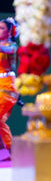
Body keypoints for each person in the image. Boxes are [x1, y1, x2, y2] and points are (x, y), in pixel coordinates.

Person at [0, 18, 19, 155]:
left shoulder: (12, 46)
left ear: (10, 32)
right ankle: (10, 150)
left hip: (8, 88)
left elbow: (5, 49)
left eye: (1, 28)